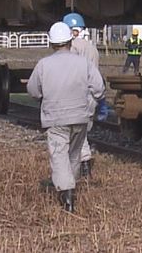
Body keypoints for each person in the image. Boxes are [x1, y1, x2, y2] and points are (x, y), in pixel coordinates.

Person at [27, 21, 106, 213]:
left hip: (55, 118)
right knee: (74, 154)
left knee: (59, 155)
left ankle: (67, 196)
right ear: (71, 41)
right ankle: (71, 184)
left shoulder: (44, 64)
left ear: (52, 43)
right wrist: (91, 104)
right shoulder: (83, 62)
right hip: (80, 116)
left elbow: (33, 90)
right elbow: (99, 88)